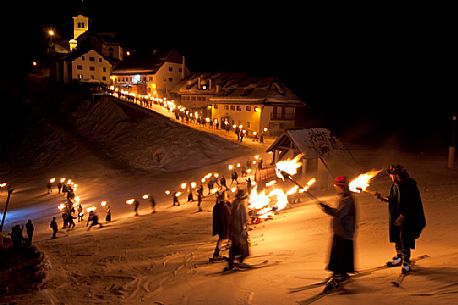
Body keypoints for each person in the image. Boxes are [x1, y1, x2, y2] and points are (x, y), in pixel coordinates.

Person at [374, 164, 426, 274]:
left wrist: (403, 216)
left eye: (391, 175)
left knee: (404, 237)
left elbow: (413, 203)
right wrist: (382, 198)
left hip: (409, 218)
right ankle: (399, 256)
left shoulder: (410, 185)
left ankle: (406, 260)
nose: (390, 177)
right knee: (397, 236)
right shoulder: (395, 185)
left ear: (397, 175)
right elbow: (393, 198)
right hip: (396, 216)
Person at [319, 176, 356, 287]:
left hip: (344, 232)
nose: (335, 188)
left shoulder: (347, 200)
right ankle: (341, 272)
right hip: (341, 231)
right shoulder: (344, 198)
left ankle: (339, 273)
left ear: (342, 187)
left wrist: (327, 209)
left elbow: (339, 214)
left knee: (340, 253)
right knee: (338, 252)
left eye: (336, 186)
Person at [225, 189, 250, 271]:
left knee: (235, 247)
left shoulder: (234, 204)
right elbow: (242, 220)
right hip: (238, 230)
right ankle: (238, 262)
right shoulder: (241, 206)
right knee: (242, 248)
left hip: (233, 229)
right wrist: (244, 230)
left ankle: (232, 263)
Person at [212, 193, 231, 260]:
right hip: (224, 226)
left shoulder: (218, 206)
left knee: (222, 239)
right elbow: (227, 217)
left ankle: (216, 253)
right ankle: (216, 254)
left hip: (221, 226)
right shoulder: (223, 207)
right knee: (223, 238)